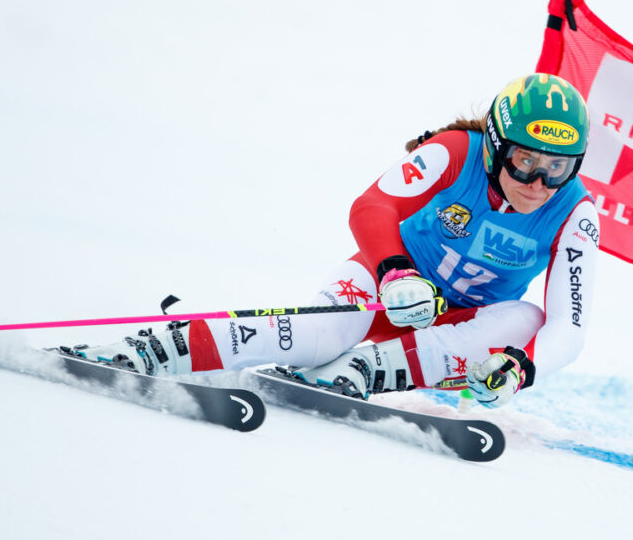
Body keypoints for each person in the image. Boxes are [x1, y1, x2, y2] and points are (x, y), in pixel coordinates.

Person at [72, 73, 599, 409]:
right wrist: (395, 270)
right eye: (525, 161)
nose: (539, 184)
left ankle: (366, 370)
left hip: (453, 335)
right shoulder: (456, 151)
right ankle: (160, 346)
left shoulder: (575, 212)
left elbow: (568, 329)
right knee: (322, 335)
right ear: (496, 146)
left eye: (557, 167)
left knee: (525, 320)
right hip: (386, 284)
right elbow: (371, 206)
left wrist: (520, 370)